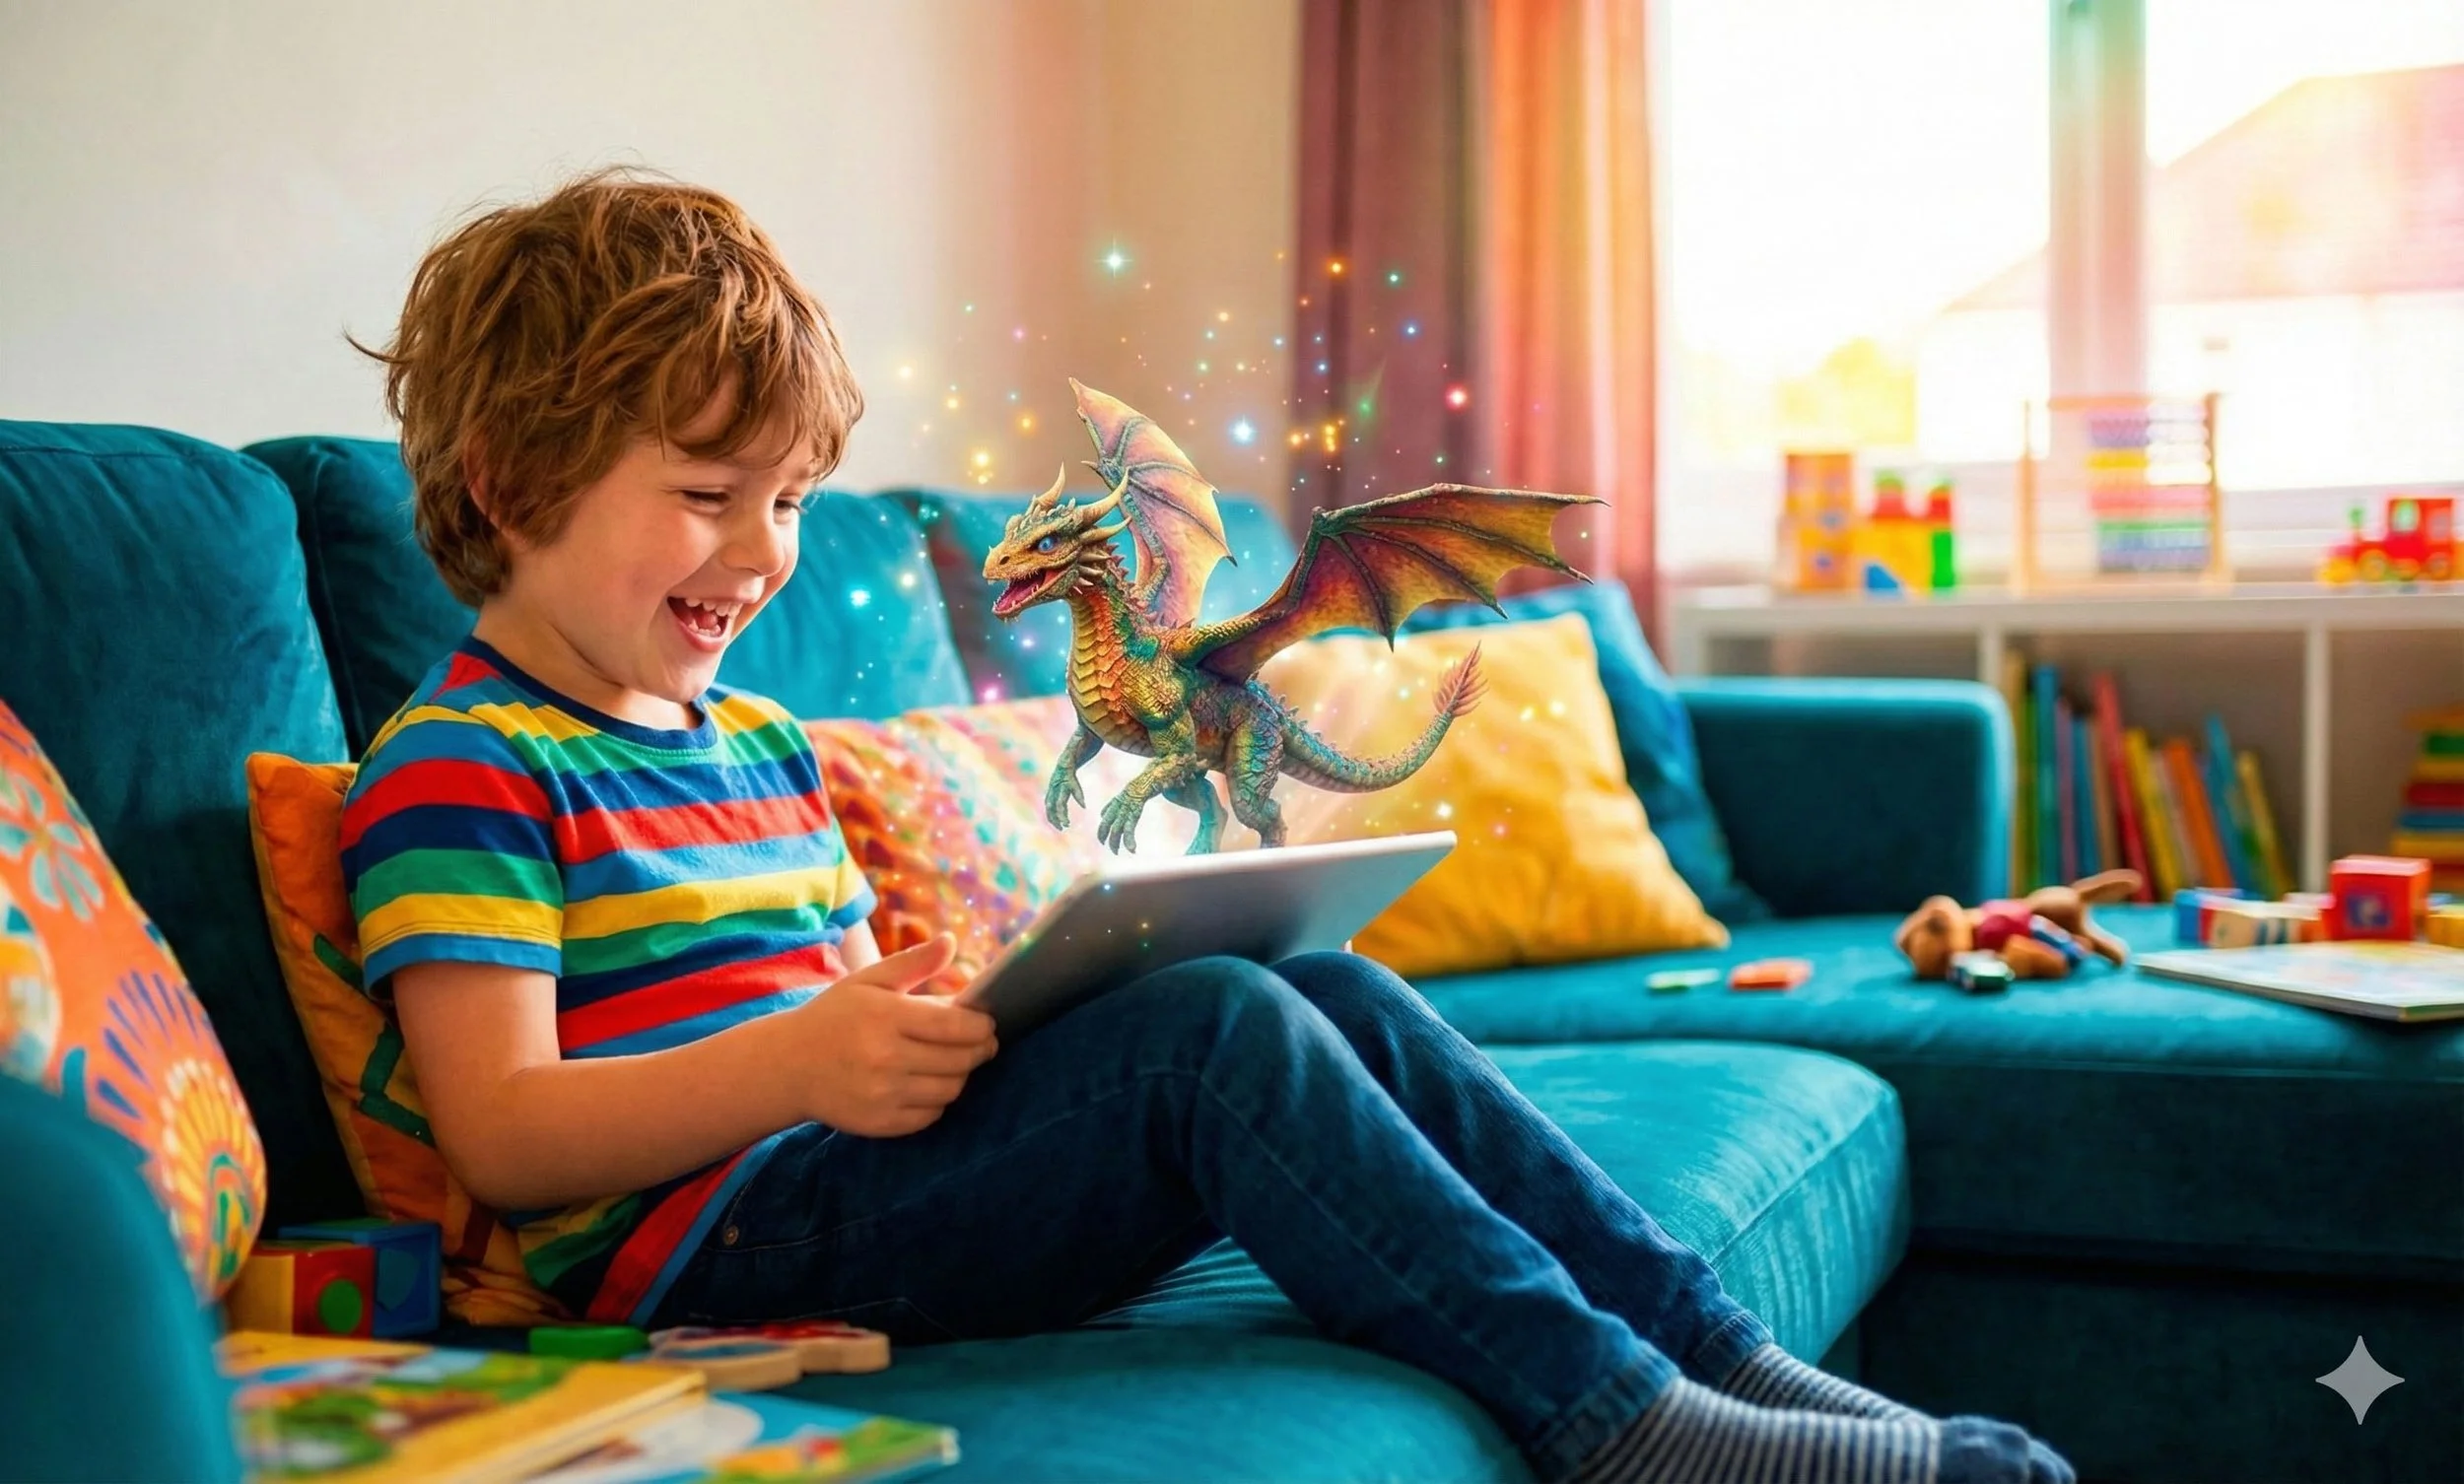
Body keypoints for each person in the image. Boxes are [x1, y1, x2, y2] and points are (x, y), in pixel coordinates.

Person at [340, 169, 2070, 1484]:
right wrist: (805, 1064)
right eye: (707, 496)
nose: (760, 554)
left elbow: (841, 1006)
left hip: (839, 1175)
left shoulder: (761, 738)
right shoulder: (465, 765)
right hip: (714, 1255)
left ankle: (1710, 1347)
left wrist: (939, 1011)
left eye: (787, 499)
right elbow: (504, 1133)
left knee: (1329, 993)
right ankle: (1620, 1420)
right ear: (509, 482)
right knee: (1213, 1039)